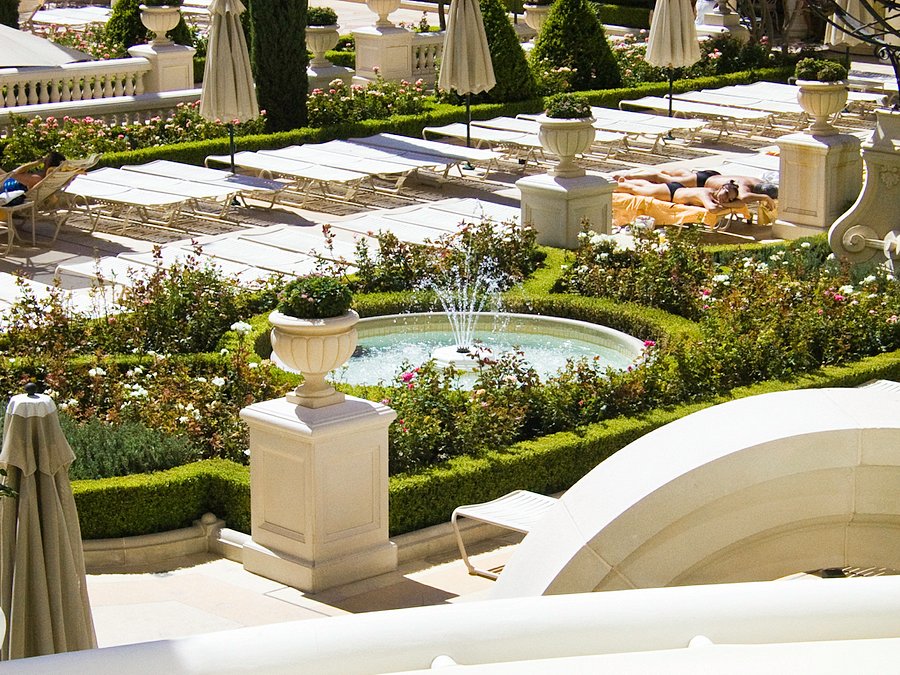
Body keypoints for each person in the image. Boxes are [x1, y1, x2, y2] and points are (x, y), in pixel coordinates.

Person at [611, 167, 778, 210]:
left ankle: (628, 179)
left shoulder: (757, 181)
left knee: (666, 178)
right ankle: (627, 177)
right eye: (727, 195)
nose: (726, 199)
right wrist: (765, 198)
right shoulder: (745, 187)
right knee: (661, 178)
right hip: (701, 182)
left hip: (710, 178)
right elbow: (744, 199)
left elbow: (739, 202)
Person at [614, 176, 743, 212]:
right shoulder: (705, 193)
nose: (726, 199)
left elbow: (742, 204)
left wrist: (727, 203)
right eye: (726, 194)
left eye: (730, 199)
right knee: (635, 190)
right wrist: (728, 205)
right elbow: (712, 209)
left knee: (648, 186)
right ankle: (612, 186)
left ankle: (626, 181)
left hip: (676, 189)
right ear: (721, 188)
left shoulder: (712, 194)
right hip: (671, 193)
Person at [2, 151, 67, 194]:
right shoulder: (45, 179)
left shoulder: (37, 179)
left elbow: (14, 173)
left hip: (5, 188)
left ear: (48, 163)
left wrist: (37, 162)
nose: (45, 158)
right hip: (7, 185)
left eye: (47, 157)